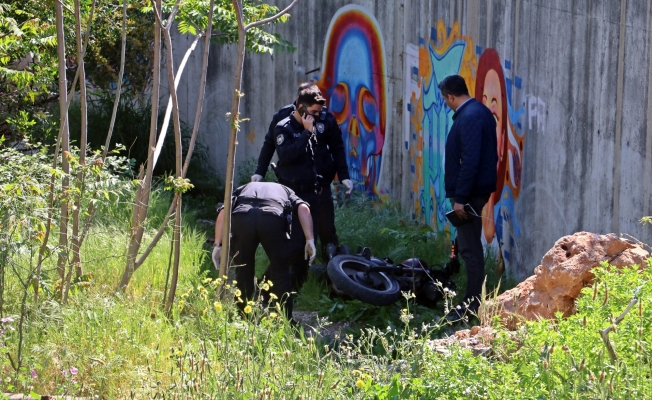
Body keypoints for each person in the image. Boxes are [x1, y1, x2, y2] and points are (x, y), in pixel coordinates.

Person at [252, 83, 352, 258]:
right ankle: (293, 264)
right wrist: (259, 171)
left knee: (326, 226)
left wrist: (343, 175)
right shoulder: (283, 118)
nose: (317, 112)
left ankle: (330, 265)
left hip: (319, 182)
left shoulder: (325, 117)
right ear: (300, 102)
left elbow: (337, 146)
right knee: (291, 226)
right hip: (292, 182)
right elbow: (270, 144)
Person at [438, 75, 497, 322]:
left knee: (470, 249)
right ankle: (472, 301)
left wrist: (460, 198)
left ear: (451, 97)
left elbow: (470, 161)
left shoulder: (471, 116)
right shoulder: (476, 112)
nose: (446, 103)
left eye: (445, 99)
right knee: (467, 246)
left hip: (471, 194)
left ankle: (472, 305)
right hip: (473, 191)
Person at [211, 182, 316, 319]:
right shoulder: (286, 190)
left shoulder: (244, 188)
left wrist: (218, 245)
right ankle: (285, 320)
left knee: (243, 269)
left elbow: (224, 210)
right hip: (272, 218)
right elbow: (303, 208)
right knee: (280, 270)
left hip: (242, 217)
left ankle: (244, 317)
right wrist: (310, 240)